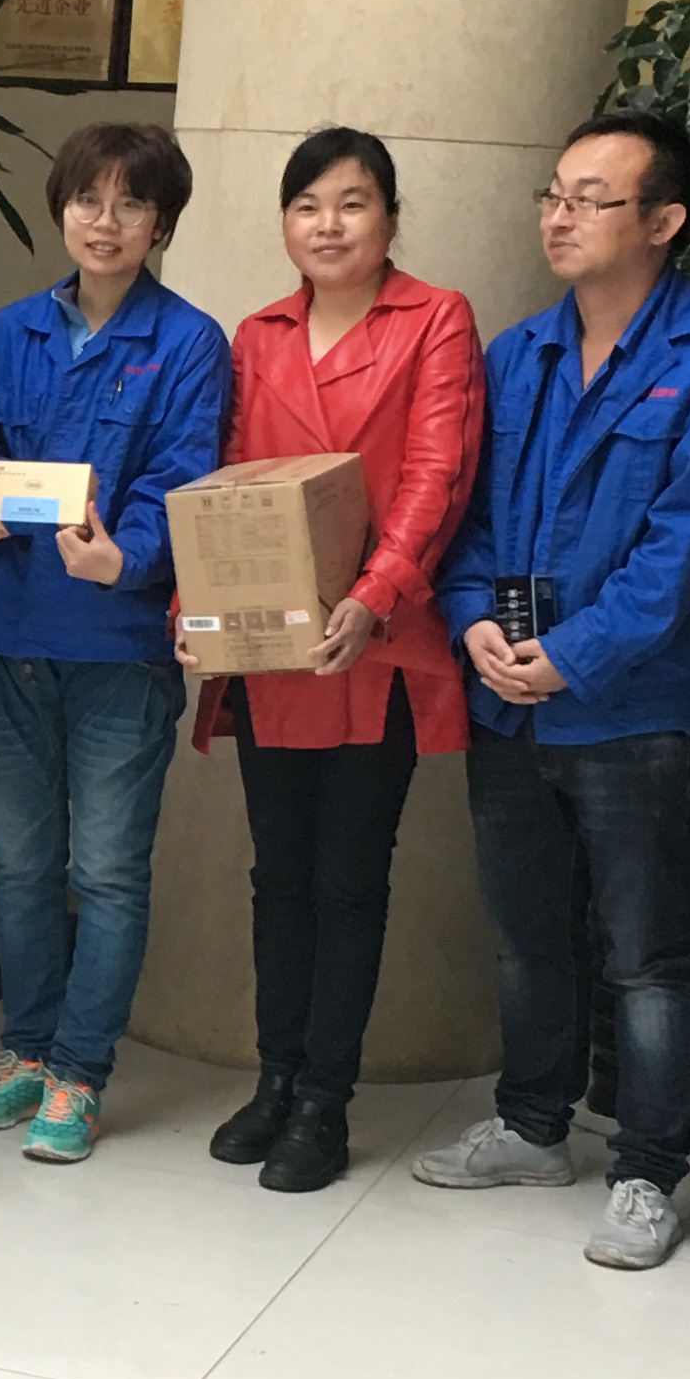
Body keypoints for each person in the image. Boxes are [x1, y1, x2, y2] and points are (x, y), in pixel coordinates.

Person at [413, 111, 690, 1270]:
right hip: (506, 695)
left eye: (591, 199)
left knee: (648, 956)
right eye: (553, 194)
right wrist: (472, 620)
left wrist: (576, 654)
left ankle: (648, 1173)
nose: (560, 217)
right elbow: (464, 515)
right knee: (527, 937)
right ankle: (530, 1125)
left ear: (665, 221)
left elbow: (686, 549)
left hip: (633, 706)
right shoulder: (517, 353)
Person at [197, 129, 484, 1194]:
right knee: (279, 874)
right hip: (274, 643)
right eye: (307, 204)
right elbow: (227, 482)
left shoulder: (435, 318)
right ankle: (274, 1079)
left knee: (349, 878)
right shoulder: (258, 334)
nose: (328, 224)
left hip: (378, 642)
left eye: (353, 203)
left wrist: (375, 593)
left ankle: (325, 1099)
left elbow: (437, 472)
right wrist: (196, 610)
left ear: (391, 218)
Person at [0, 123, 227, 1164]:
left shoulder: (189, 342)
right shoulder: (11, 331)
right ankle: (23, 1050)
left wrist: (129, 556)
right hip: (7, 634)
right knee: (21, 865)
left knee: (106, 870)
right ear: (62, 208)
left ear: (162, 223)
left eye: (131, 204)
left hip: (118, 643)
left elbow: (183, 476)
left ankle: (79, 1071)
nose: (105, 223)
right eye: (87, 200)